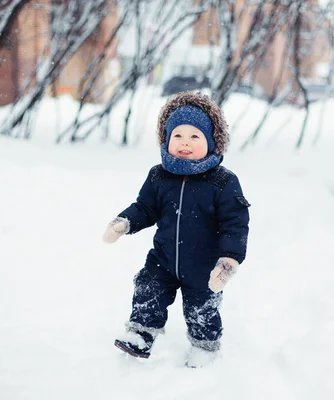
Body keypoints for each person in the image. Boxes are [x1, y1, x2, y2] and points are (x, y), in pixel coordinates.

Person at [103, 91, 250, 368]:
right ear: (167, 139)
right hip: (164, 259)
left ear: (211, 140)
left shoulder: (223, 181)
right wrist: (125, 222)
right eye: (177, 136)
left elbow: (235, 223)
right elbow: (146, 208)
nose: (185, 143)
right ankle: (140, 334)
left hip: (204, 265)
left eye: (195, 137)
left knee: (202, 308)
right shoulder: (159, 175)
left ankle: (204, 347)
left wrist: (228, 261)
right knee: (148, 288)